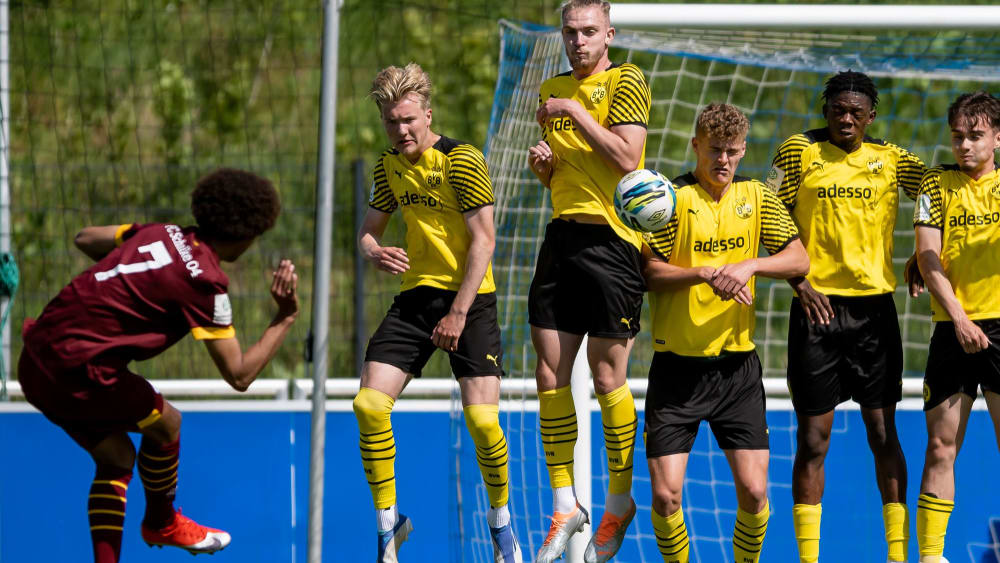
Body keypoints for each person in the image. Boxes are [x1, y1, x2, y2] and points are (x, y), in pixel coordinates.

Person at [17, 169, 299, 563]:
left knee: (117, 458)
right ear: (246, 234)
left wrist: (135, 271)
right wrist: (284, 317)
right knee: (167, 423)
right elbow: (239, 374)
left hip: (34, 359)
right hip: (80, 368)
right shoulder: (205, 284)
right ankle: (162, 522)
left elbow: (85, 237)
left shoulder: (157, 233)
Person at [353, 62, 520, 563]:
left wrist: (459, 313)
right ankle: (389, 525)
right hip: (414, 299)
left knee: (484, 423)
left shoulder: (461, 160)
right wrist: (374, 251)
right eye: (390, 122)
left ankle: (501, 523)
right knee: (367, 406)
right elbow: (368, 231)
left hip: (470, 300)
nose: (401, 130)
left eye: (408, 119)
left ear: (427, 113)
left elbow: (484, 241)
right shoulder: (388, 165)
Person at [765, 70, 926, 563]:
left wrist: (924, 251)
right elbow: (765, 211)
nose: (847, 119)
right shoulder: (799, 153)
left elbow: (942, 192)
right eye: (838, 110)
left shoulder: (892, 159)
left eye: (857, 111)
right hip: (816, 310)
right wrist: (798, 281)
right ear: (825, 111)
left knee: (883, 433)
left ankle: (898, 555)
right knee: (813, 439)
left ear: (872, 116)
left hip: (874, 314)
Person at [643, 103, 808, 563]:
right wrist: (703, 273)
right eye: (715, 150)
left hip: (737, 370)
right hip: (676, 371)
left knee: (756, 494)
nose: (723, 161)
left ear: (743, 152)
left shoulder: (757, 197)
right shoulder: (670, 199)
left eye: (733, 153)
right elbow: (649, 273)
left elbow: (799, 259)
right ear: (696, 145)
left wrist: (751, 263)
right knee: (666, 498)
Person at [526, 1, 650, 561]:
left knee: (606, 376)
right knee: (548, 370)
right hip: (561, 236)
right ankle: (564, 503)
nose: (577, 41)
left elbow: (627, 157)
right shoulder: (551, 87)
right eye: (570, 32)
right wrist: (545, 169)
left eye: (588, 32)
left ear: (609, 35)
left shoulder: (626, 80)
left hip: (613, 241)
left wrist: (574, 114)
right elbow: (570, 168)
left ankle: (619, 500)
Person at [912, 91, 1000, 563]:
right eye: (957, 136)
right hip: (954, 328)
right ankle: (930, 556)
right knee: (941, 445)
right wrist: (960, 318)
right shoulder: (934, 184)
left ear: (998, 137)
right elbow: (928, 255)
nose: (964, 145)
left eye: (975, 136)